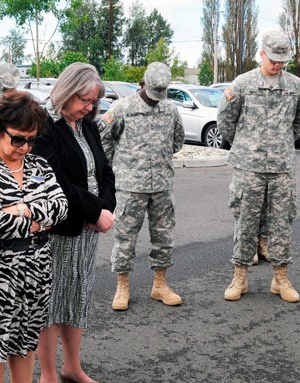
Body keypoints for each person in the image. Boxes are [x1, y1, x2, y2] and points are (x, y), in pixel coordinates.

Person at [0, 91, 68, 383]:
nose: (25, 147)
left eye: (31, 139)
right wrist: (37, 220)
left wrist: (22, 209)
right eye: (18, 139)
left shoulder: (40, 167)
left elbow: (60, 208)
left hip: (36, 267)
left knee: (26, 341)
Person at [32, 62, 116, 383]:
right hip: (59, 230)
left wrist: (105, 207)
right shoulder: (44, 126)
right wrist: (94, 212)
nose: (89, 106)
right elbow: (56, 182)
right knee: (52, 302)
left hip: (86, 232)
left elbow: (104, 171)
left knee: (77, 297)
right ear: (66, 91)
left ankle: (72, 367)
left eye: (93, 101)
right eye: (84, 99)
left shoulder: (88, 125)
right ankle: (49, 374)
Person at [218, 30, 300, 303]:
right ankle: (240, 278)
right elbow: (226, 120)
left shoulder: (295, 86)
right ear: (262, 54)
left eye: (282, 60)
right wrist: (247, 143)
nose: (277, 65)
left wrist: (283, 140)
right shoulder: (243, 83)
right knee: (246, 223)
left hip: (282, 167)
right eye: (273, 59)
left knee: (282, 224)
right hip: (249, 167)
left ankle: (280, 278)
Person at [100, 62, 185, 312]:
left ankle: (160, 285)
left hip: (161, 185)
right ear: (143, 84)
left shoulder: (170, 110)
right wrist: (119, 167)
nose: (157, 98)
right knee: (125, 238)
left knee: (164, 237)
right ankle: (122, 286)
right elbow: (103, 140)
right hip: (129, 186)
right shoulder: (122, 108)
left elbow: (177, 141)